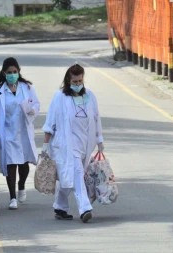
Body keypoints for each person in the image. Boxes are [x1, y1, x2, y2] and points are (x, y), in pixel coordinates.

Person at [42, 63, 104, 223]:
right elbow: (51, 121)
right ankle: (85, 208)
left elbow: (96, 118)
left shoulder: (89, 95)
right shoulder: (60, 97)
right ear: (68, 81)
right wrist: (45, 144)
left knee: (67, 176)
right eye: (74, 82)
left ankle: (60, 206)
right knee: (76, 173)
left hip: (85, 144)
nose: (77, 85)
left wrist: (99, 140)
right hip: (66, 145)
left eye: (80, 81)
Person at [0, 57, 40, 210]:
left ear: (18, 72)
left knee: (24, 162)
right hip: (7, 132)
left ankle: (21, 185)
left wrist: (33, 111)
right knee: (11, 164)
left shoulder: (26, 88)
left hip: (24, 131)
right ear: (4, 73)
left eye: (15, 72)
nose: (12, 74)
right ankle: (12, 197)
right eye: (9, 72)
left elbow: (36, 104)